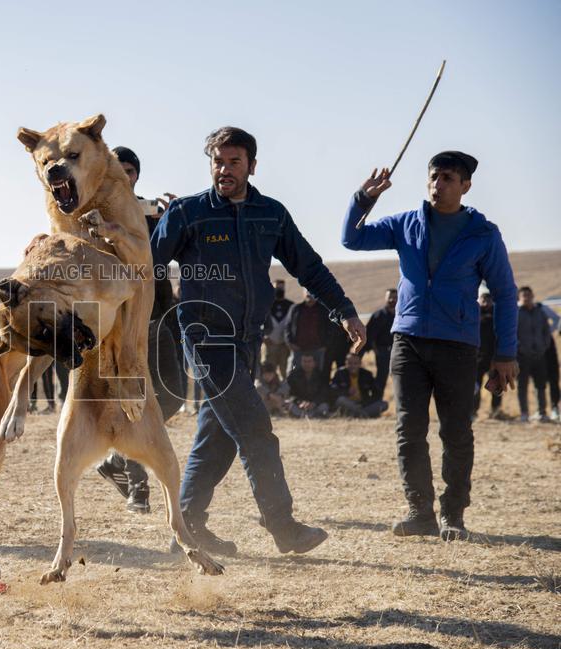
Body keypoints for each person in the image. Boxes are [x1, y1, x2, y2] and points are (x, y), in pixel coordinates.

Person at [152, 125, 365, 556]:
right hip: (206, 340)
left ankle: (187, 528)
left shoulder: (271, 214)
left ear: (251, 165)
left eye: (234, 162)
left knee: (217, 437)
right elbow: (146, 264)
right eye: (218, 161)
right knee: (256, 432)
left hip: (248, 340)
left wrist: (343, 310)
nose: (224, 170)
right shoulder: (188, 213)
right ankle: (283, 526)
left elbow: (309, 267)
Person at [342, 150, 518, 541]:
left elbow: (505, 294)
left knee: (456, 431)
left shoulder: (483, 234)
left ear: (465, 186)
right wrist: (363, 199)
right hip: (408, 343)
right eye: (435, 177)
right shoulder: (406, 224)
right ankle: (419, 511)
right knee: (409, 428)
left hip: (457, 345)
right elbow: (351, 239)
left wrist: (505, 353)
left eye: (449, 179)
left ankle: (453, 514)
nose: (439, 185)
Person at [97, 145, 186, 514]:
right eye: (119, 168)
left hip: (161, 313)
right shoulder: (95, 214)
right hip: (121, 319)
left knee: (176, 395)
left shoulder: (152, 213)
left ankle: (117, 455)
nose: (126, 175)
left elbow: (170, 251)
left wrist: (175, 219)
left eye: (131, 169)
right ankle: (138, 488)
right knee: (134, 400)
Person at [516, 286, 552, 423]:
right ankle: (524, 413)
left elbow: (546, 331)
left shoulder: (540, 312)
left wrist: (544, 346)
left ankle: (541, 412)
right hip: (522, 356)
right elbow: (512, 333)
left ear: (532, 296)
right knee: (522, 385)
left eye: (528, 295)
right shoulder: (515, 313)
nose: (526, 297)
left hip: (539, 355)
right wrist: (520, 348)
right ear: (519, 297)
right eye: (523, 295)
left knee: (541, 385)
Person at [473, 290, 503, 419]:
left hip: (494, 359)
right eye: (483, 300)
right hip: (476, 358)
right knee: (475, 387)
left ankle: (495, 411)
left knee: (496, 385)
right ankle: (473, 411)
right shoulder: (473, 315)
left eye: (488, 300)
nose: (485, 303)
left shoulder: (498, 317)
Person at [331, 352, 388, 418]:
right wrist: (347, 392)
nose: (352, 366)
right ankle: (363, 415)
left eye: (355, 363)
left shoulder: (367, 374)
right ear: (346, 363)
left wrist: (368, 401)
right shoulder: (340, 373)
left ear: (360, 364)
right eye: (350, 363)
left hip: (362, 404)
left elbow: (375, 391)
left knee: (384, 404)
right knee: (341, 400)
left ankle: (357, 414)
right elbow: (333, 391)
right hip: (348, 404)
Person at [283, 291, 328, 372]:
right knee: (292, 373)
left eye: (311, 293)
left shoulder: (323, 310)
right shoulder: (295, 308)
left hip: (317, 348)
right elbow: (287, 327)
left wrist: (325, 345)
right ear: (303, 294)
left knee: (317, 374)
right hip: (298, 348)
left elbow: (330, 328)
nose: (309, 295)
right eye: (307, 293)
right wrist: (289, 343)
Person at [364, 288, 397, 396]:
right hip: (382, 351)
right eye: (390, 297)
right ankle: (377, 400)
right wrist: (376, 350)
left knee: (400, 378)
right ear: (385, 298)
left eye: (395, 297)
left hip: (398, 351)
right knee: (381, 378)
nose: (392, 300)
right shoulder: (379, 315)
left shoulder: (401, 315)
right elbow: (370, 334)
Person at [285, 352, 331, 418]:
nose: (307, 364)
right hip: (300, 405)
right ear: (301, 362)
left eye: (309, 361)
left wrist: (314, 403)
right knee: (289, 405)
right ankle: (311, 416)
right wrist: (300, 402)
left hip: (316, 405)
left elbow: (324, 393)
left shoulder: (321, 376)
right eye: (304, 361)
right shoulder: (294, 376)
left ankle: (309, 415)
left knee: (324, 406)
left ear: (314, 363)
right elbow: (290, 394)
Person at [263, 279, 293, 379]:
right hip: (269, 344)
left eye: (281, 287)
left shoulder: (291, 306)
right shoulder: (265, 304)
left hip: (285, 345)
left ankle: (285, 392)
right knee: (268, 370)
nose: (279, 289)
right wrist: (264, 336)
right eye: (277, 287)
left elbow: (293, 325)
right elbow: (257, 322)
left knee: (285, 371)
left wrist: (289, 340)